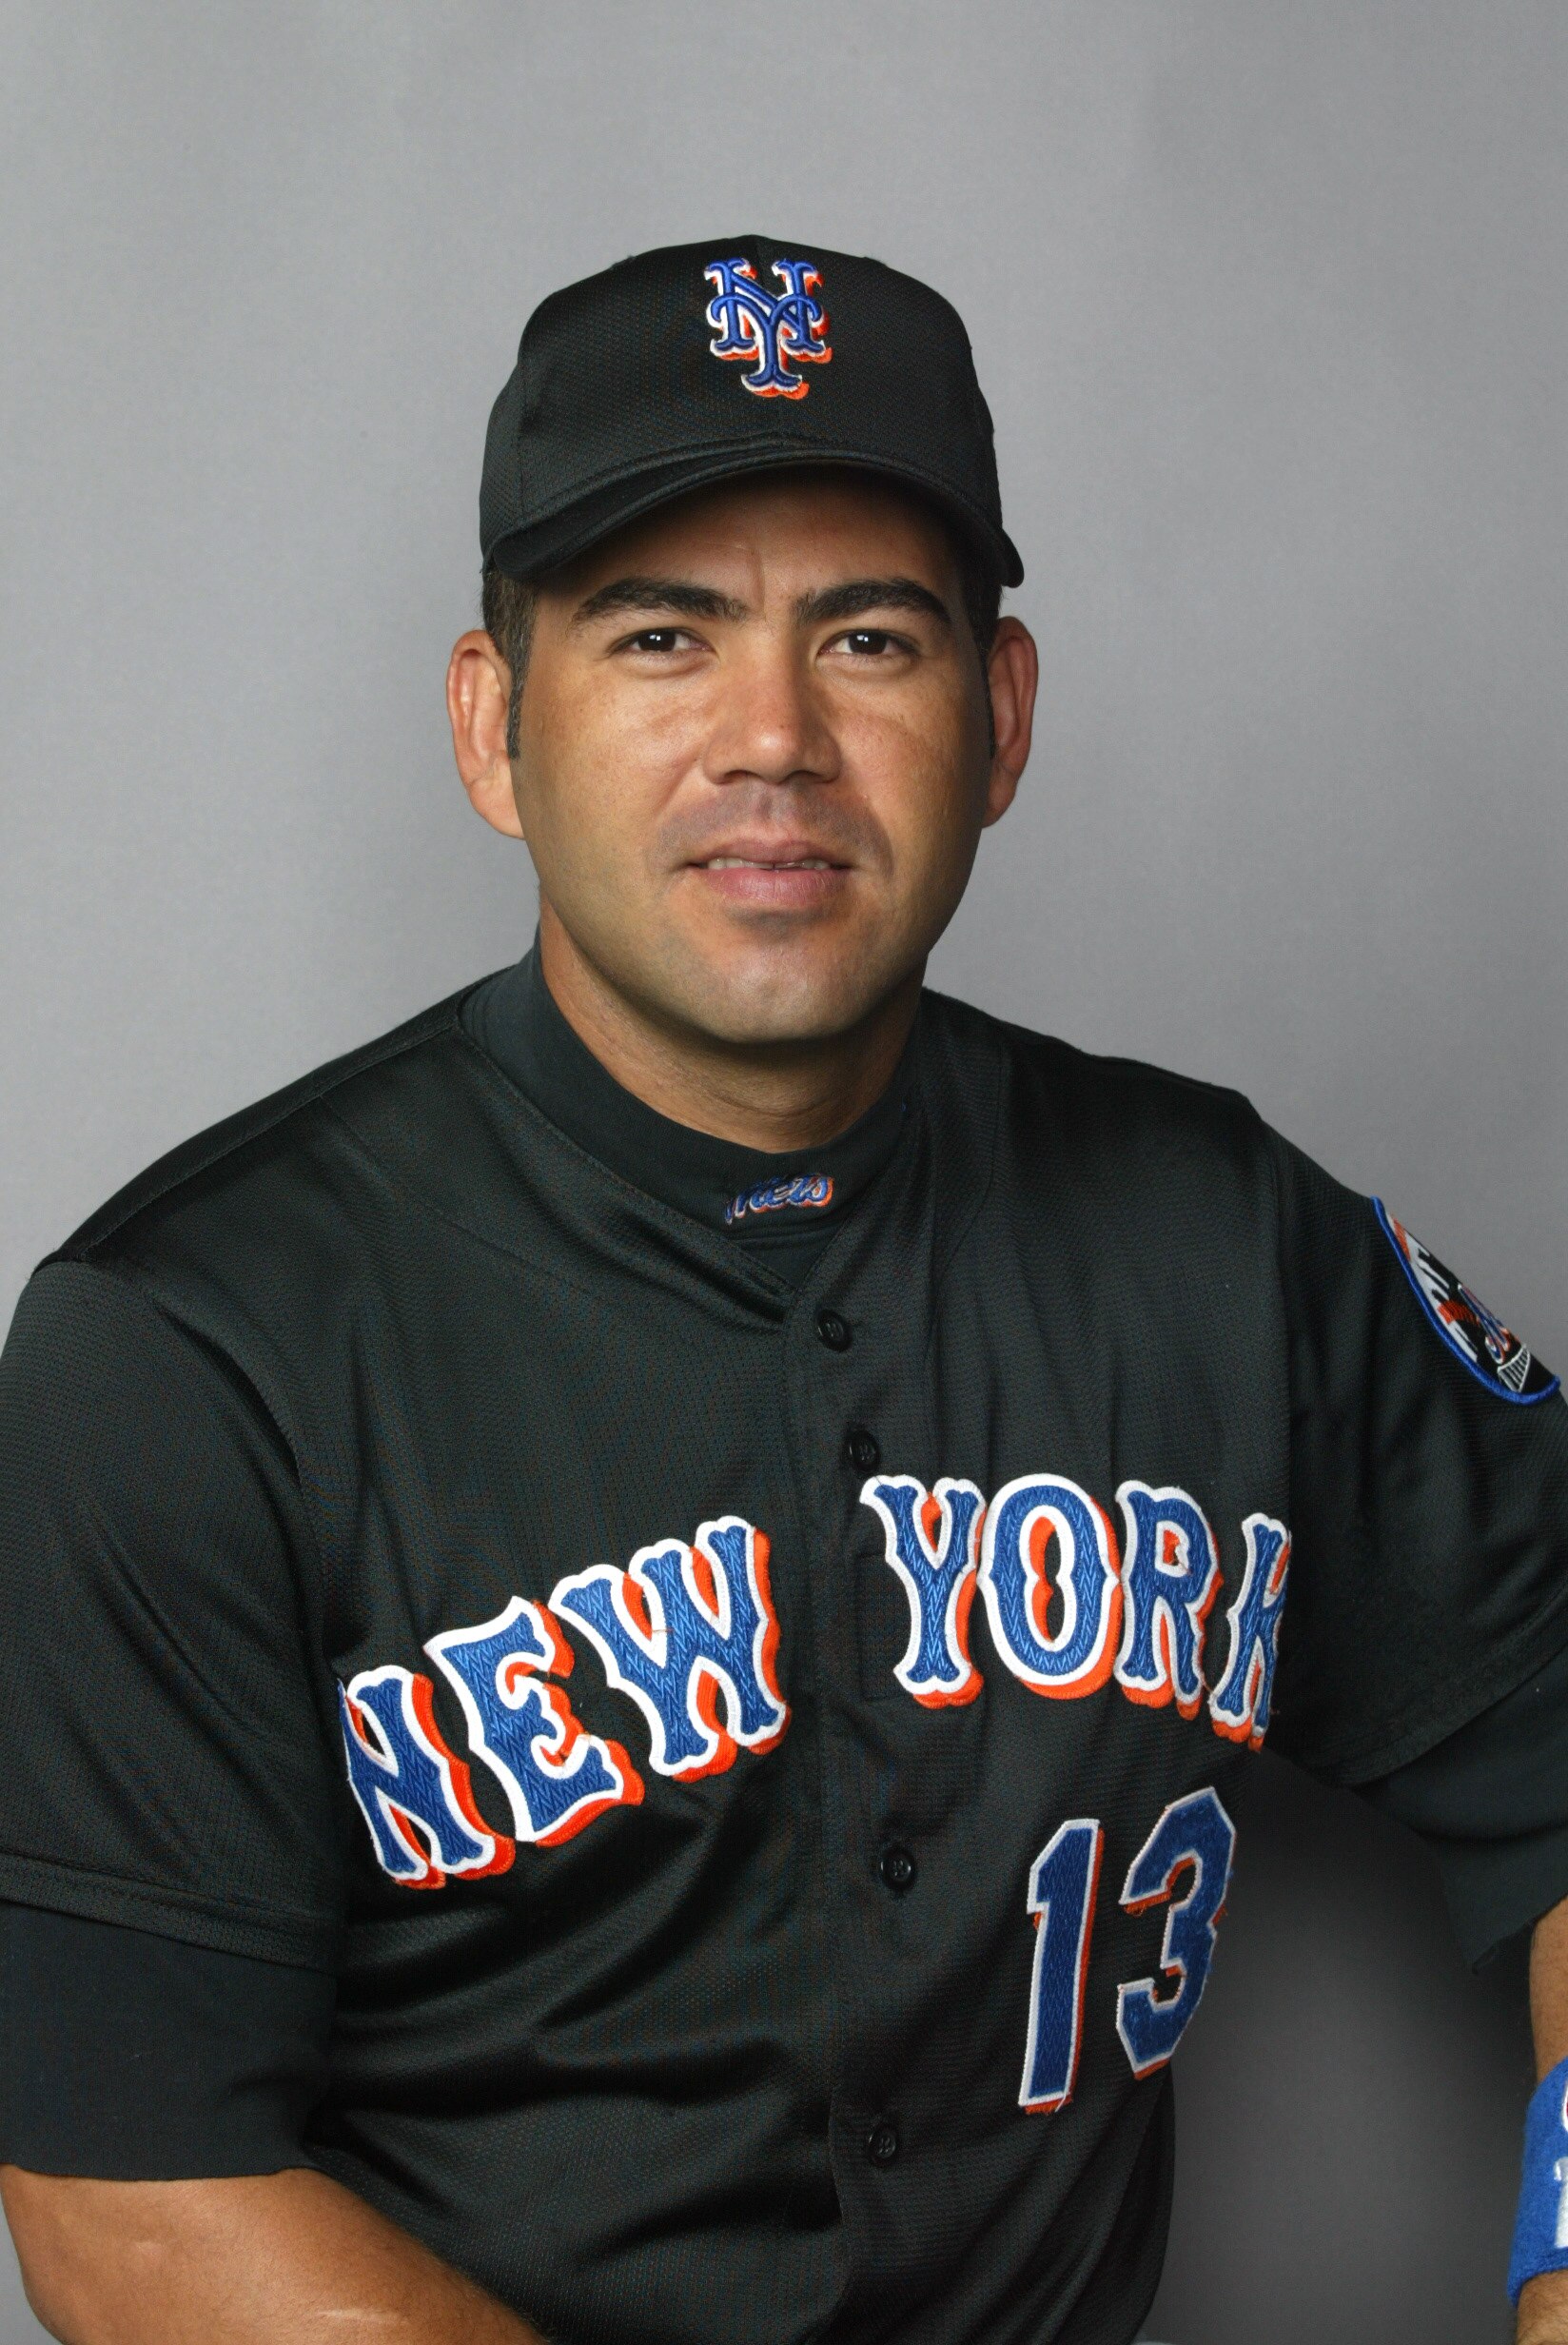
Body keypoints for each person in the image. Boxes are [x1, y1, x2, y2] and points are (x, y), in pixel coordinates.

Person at [1, 234, 1566, 2345]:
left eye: (870, 637)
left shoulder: (1225, 1236)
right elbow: (133, 2192)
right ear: (493, 724)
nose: (773, 738)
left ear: (996, 717)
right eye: (661, 635)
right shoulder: (187, 1343)